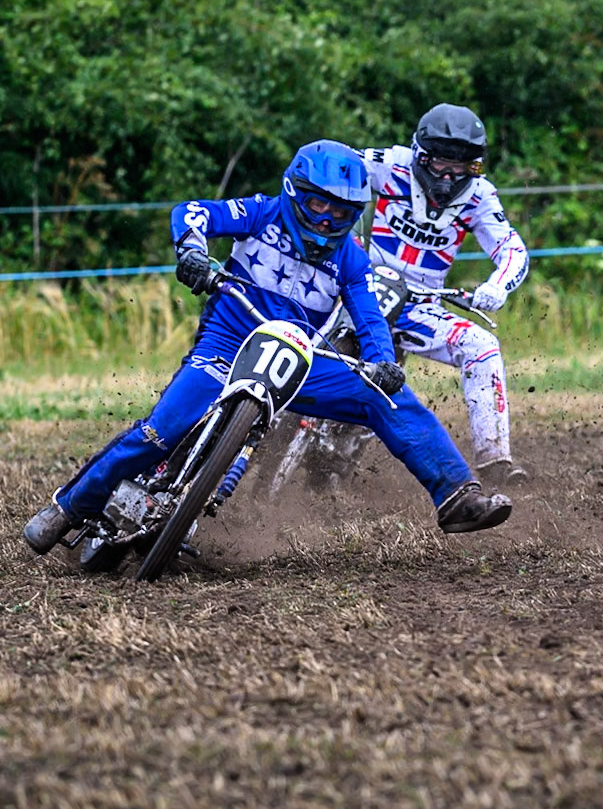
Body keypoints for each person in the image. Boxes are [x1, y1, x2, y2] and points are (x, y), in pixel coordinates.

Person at [21, 140, 512, 556]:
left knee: (386, 397)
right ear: (295, 193)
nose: (327, 220)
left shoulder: (352, 260)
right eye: (318, 206)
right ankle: (70, 506)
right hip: (226, 344)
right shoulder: (261, 213)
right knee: (159, 432)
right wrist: (191, 250)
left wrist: (382, 362)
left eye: (341, 213)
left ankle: (456, 496)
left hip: (300, 362)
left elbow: (368, 317)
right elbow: (192, 212)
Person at [362, 104, 531, 483]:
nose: (450, 175)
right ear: (421, 155)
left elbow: (513, 250)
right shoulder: (389, 165)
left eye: (462, 166)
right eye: (441, 163)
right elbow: (332, 169)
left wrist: (498, 286)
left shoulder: (479, 196)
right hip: (358, 288)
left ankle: (494, 458)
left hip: (419, 305)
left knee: (482, 346)